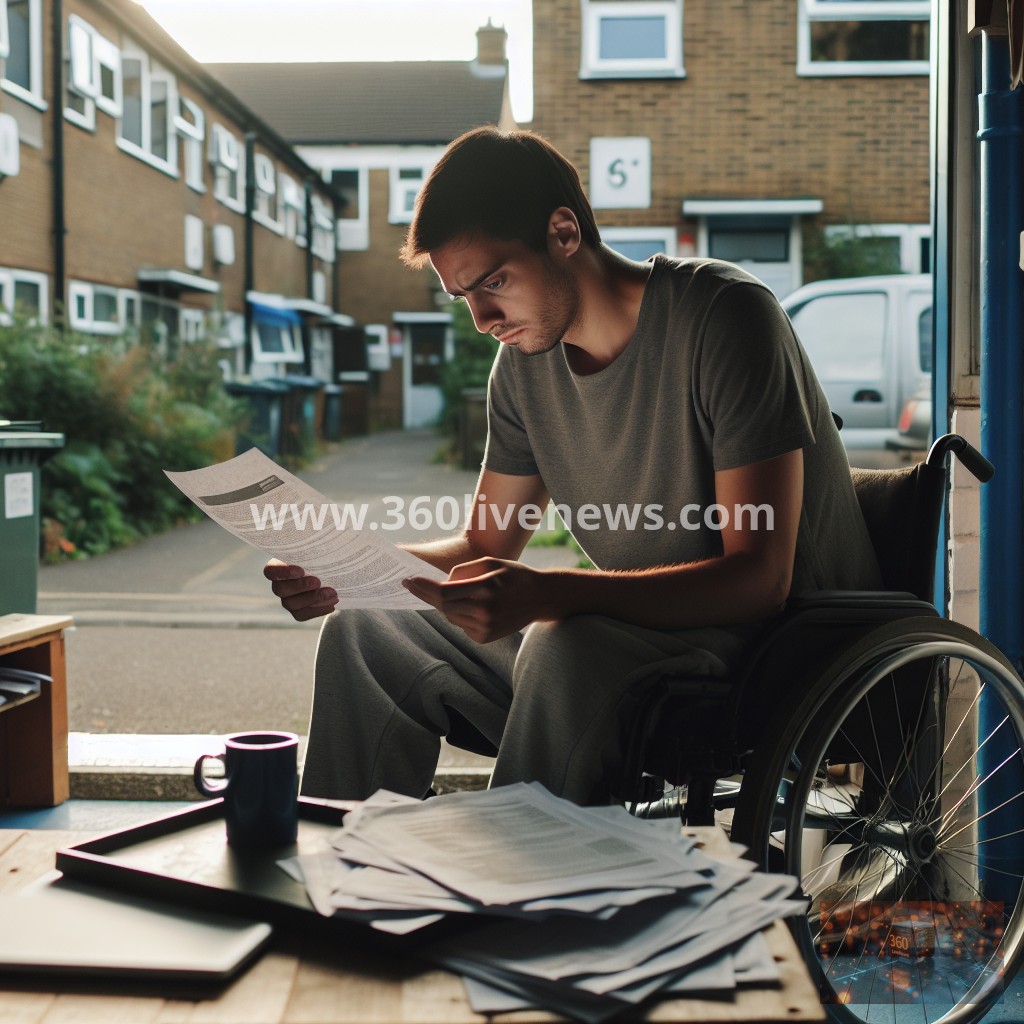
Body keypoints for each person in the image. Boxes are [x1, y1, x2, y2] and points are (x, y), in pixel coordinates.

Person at [265, 126, 883, 805]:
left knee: (562, 640)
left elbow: (760, 580)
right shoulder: (522, 368)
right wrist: (351, 570)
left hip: (773, 651)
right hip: (621, 637)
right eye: (464, 297)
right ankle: (345, 860)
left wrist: (553, 594)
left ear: (563, 233)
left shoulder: (726, 316)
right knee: (366, 625)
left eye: (494, 281)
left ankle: (517, 864)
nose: (483, 319)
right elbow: (483, 547)